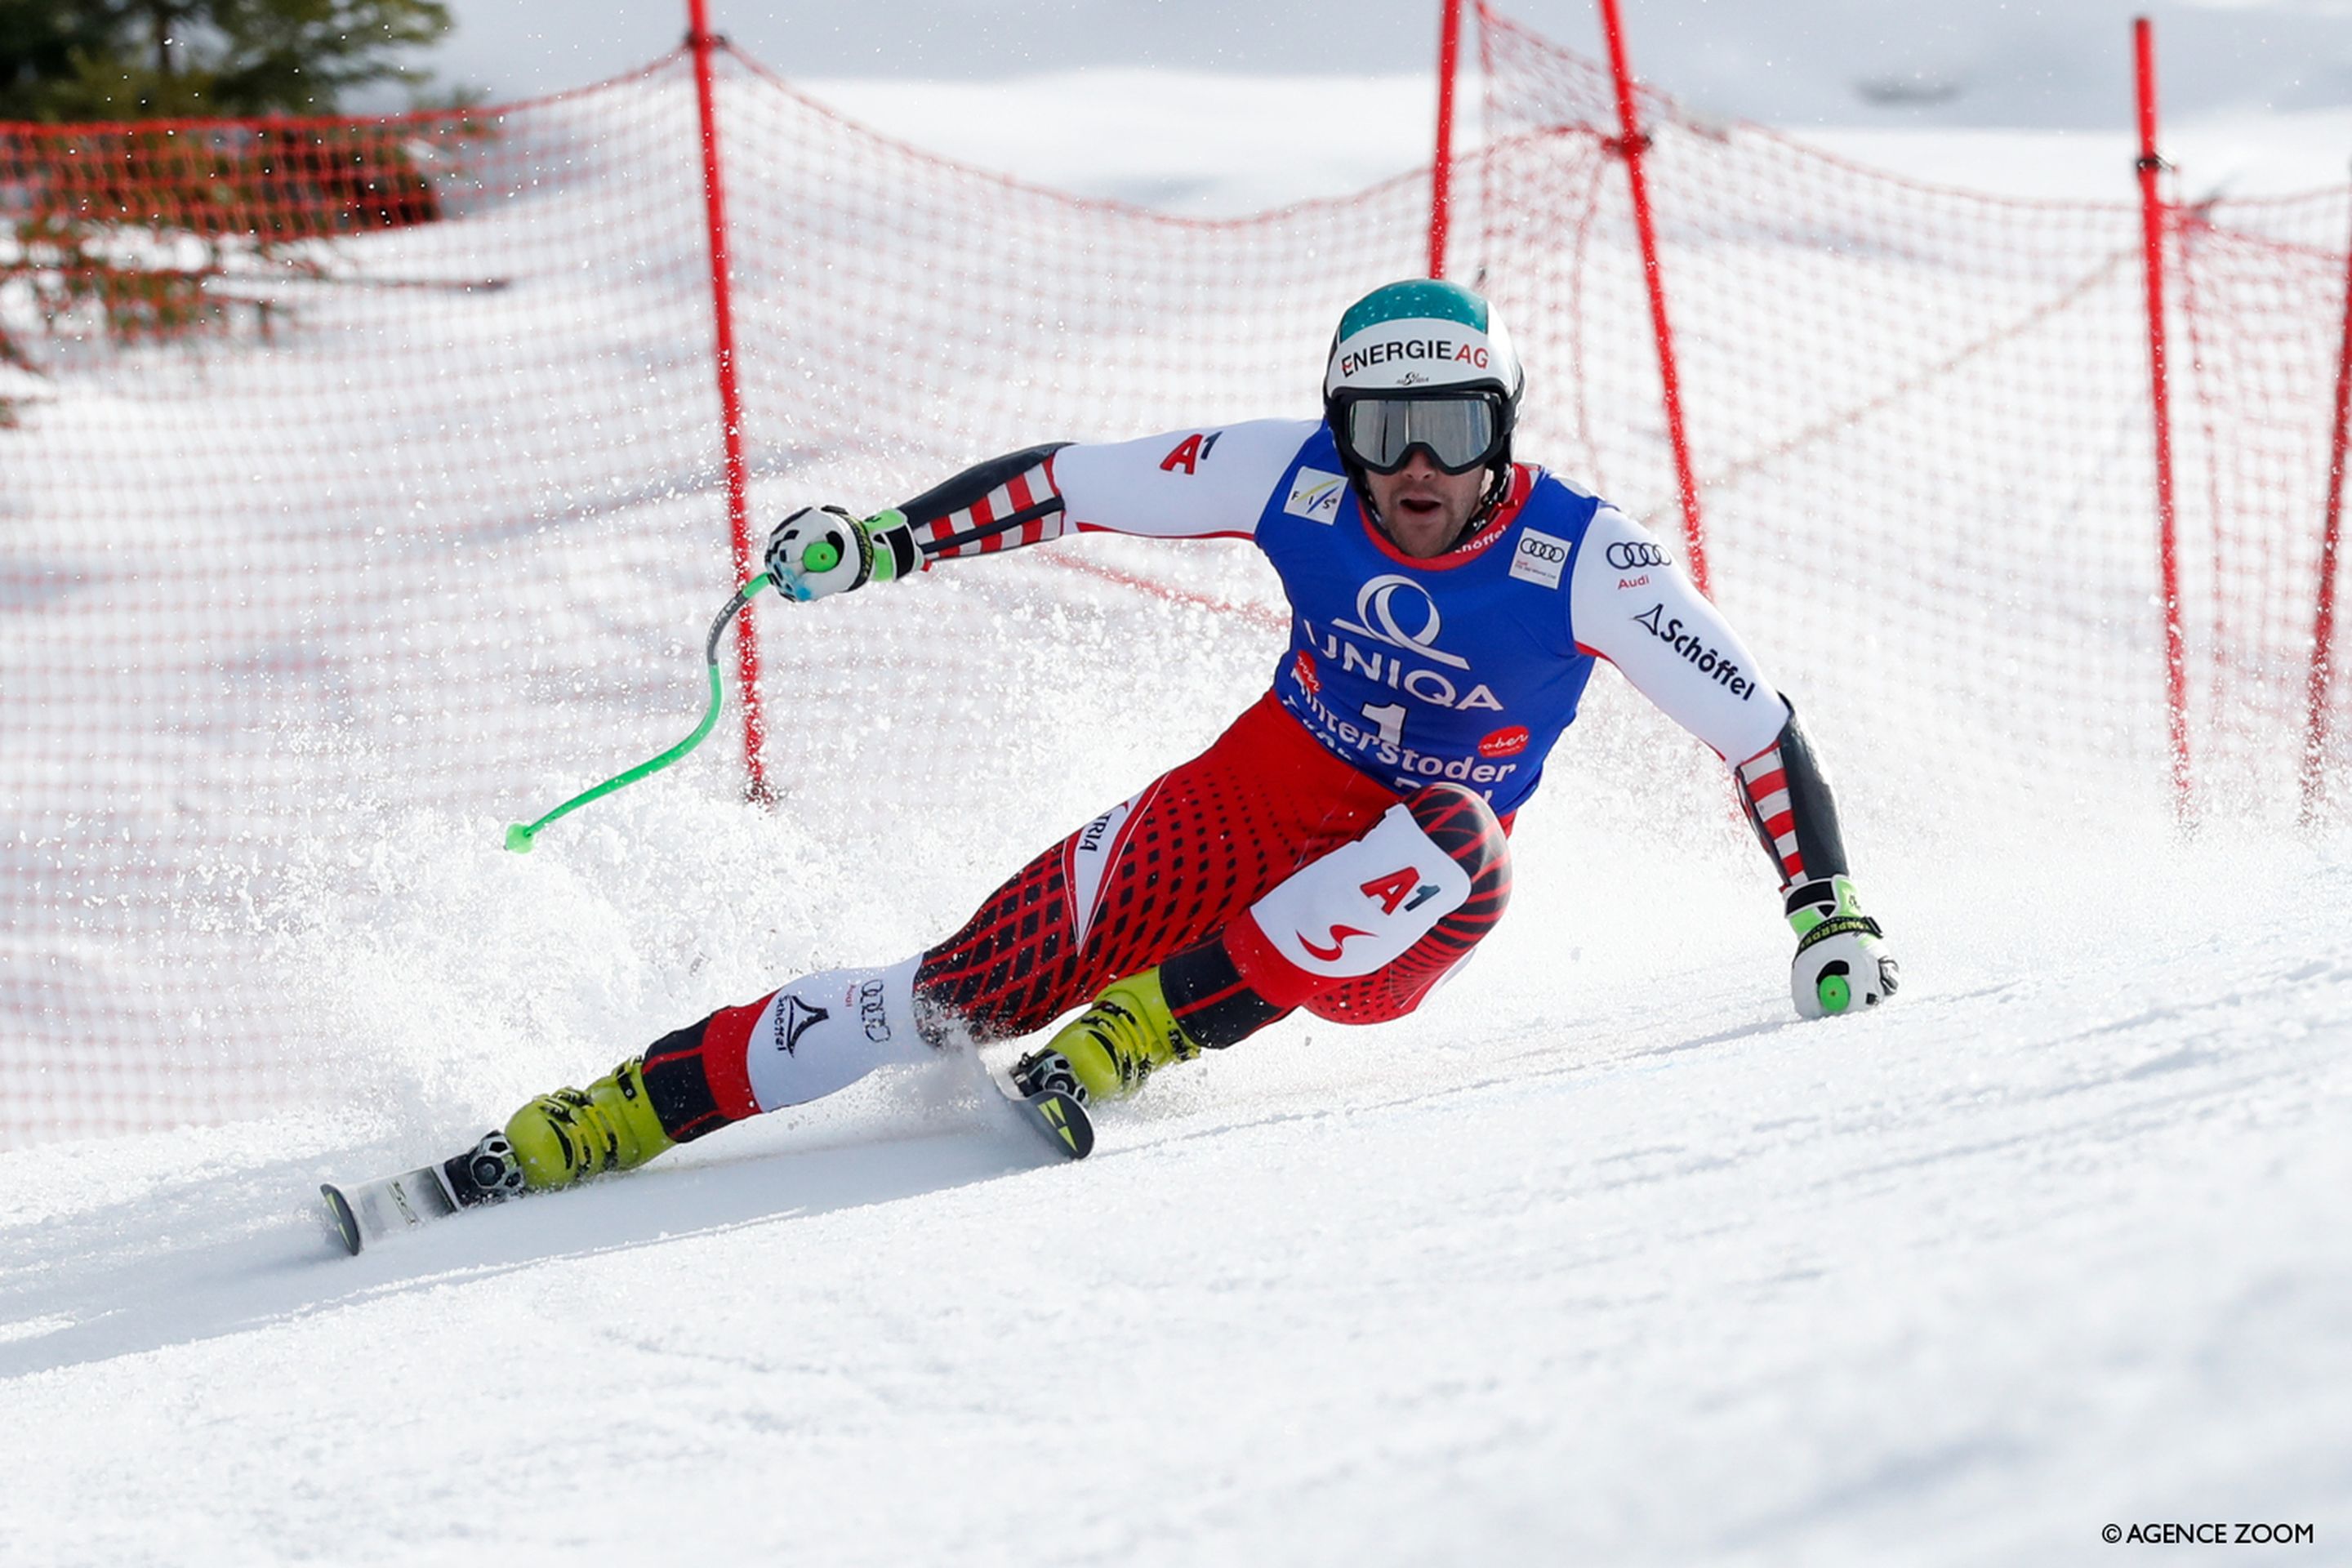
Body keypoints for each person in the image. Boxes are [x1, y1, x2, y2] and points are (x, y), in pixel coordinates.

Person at [448, 278, 1900, 1203]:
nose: (1414, 469)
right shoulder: (1293, 474)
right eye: (1381, 428)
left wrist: (1827, 911)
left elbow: (1761, 731)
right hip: (1234, 810)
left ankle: (1130, 1044)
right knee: (947, 994)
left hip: (1394, 907)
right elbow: (1071, 485)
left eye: (1453, 429)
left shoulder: (1593, 560)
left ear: (1502, 432)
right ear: (1337, 425)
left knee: (1461, 836)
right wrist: (885, 542)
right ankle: (613, 1114)